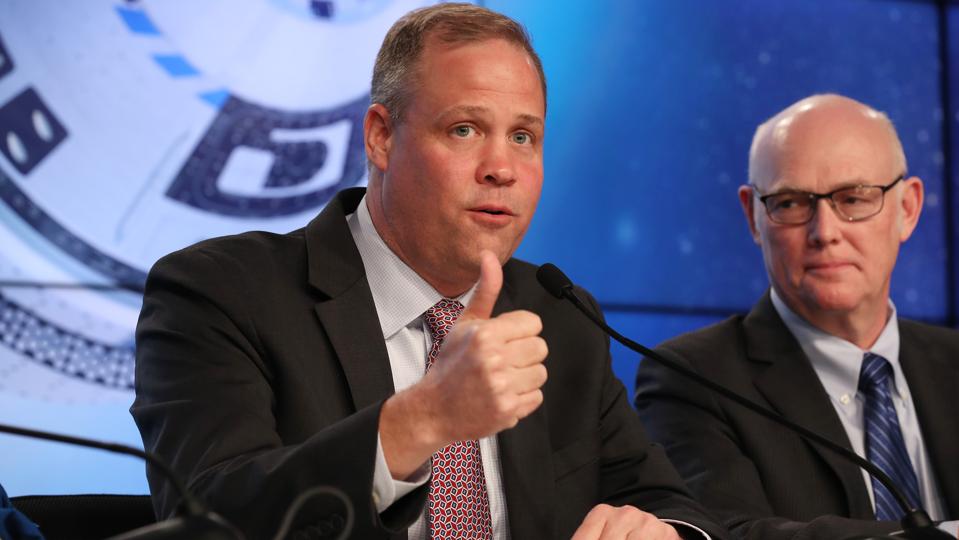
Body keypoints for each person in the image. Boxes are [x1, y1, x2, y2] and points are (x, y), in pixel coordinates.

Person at [132, 4, 728, 539]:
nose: (502, 168)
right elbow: (208, 519)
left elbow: (672, 504)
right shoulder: (222, 292)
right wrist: (426, 416)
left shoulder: (556, 315)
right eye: (464, 129)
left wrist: (664, 534)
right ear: (381, 137)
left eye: (524, 136)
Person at [635, 94, 959, 540]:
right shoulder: (690, 378)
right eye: (790, 203)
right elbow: (728, 532)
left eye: (854, 198)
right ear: (753, 216)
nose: (825, 232)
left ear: (907, 209)